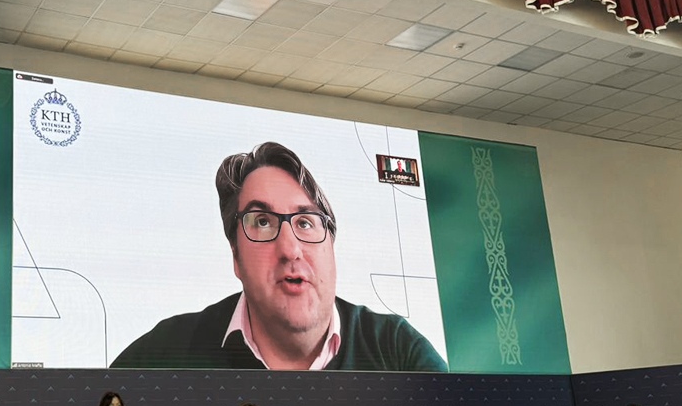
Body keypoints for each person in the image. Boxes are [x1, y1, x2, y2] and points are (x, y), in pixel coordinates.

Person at [110, 142, 447, 372]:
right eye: (262, 222)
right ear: (236, 256)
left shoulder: (397, 350)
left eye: (305, 222)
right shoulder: (165, 353)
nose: (290, 249)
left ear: (331, 248)